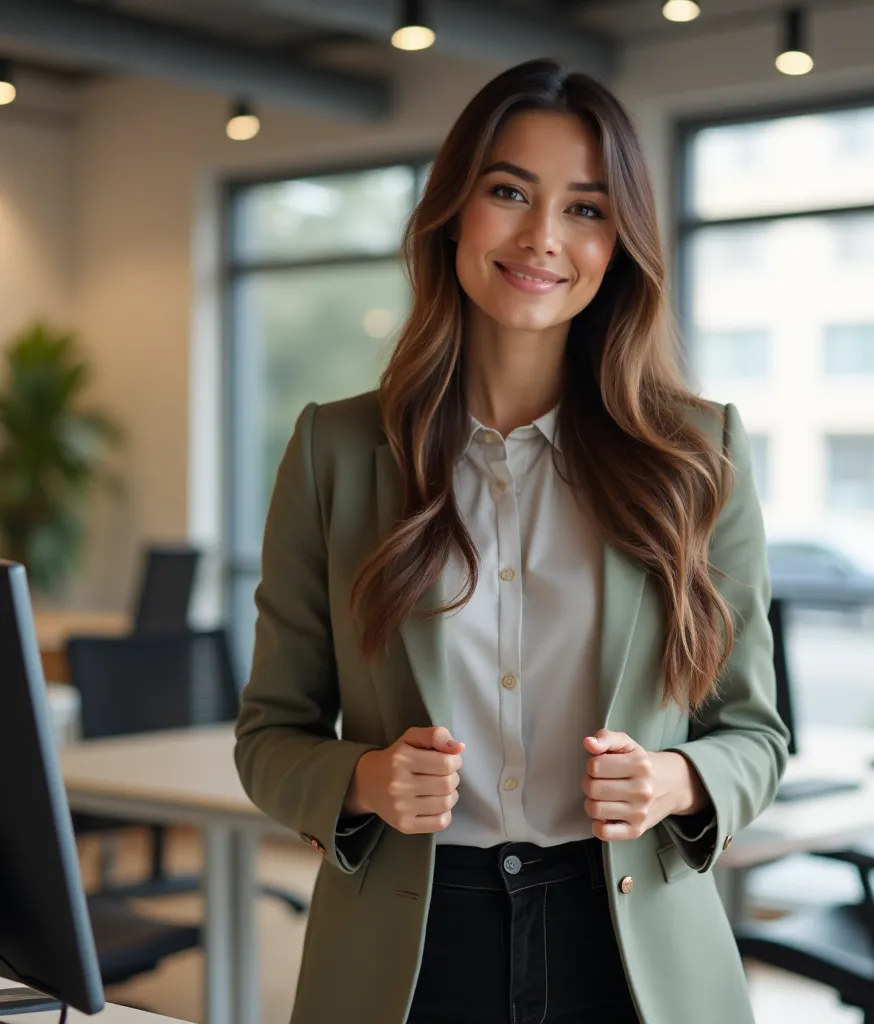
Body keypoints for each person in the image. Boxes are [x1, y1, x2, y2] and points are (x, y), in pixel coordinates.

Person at [234, 57, 789, 1024]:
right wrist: (360, 779)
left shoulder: (699, 455)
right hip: (408, 943)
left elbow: (758, 735)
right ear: (454, 211)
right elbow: (269, 734)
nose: (542, 237)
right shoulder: (336, 448)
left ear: (620, 243)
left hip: (630, 945)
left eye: (585, 208)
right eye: (508, 192)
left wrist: (678, 778)